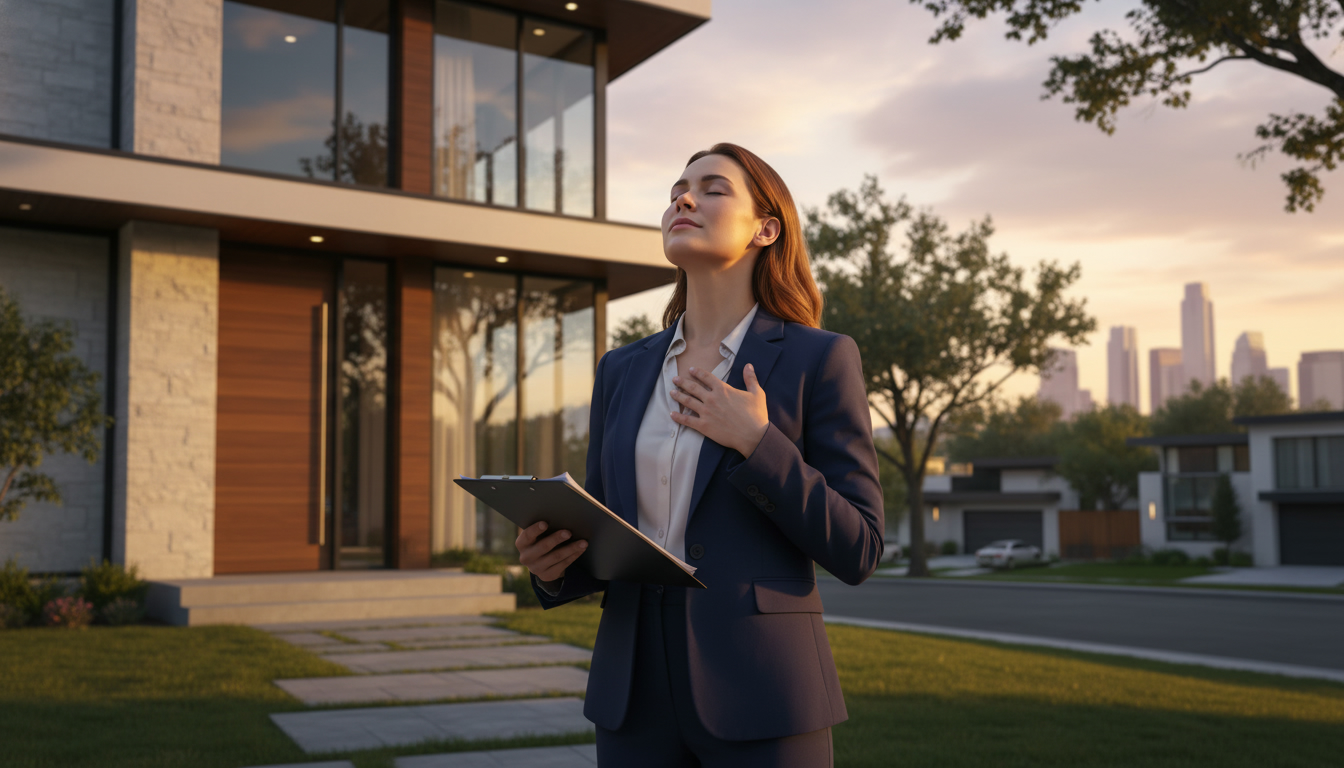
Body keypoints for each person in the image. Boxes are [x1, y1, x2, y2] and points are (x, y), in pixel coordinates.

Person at [514, 143, 884, 767]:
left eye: (713, 188)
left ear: (766, 229)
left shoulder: (819, 359)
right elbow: (610, 532)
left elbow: (861, 546)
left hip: (765, 691)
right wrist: (552, 566)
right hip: (632, 696)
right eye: (676, 191)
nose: (683, 199)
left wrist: (757, 443)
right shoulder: (622, 369)